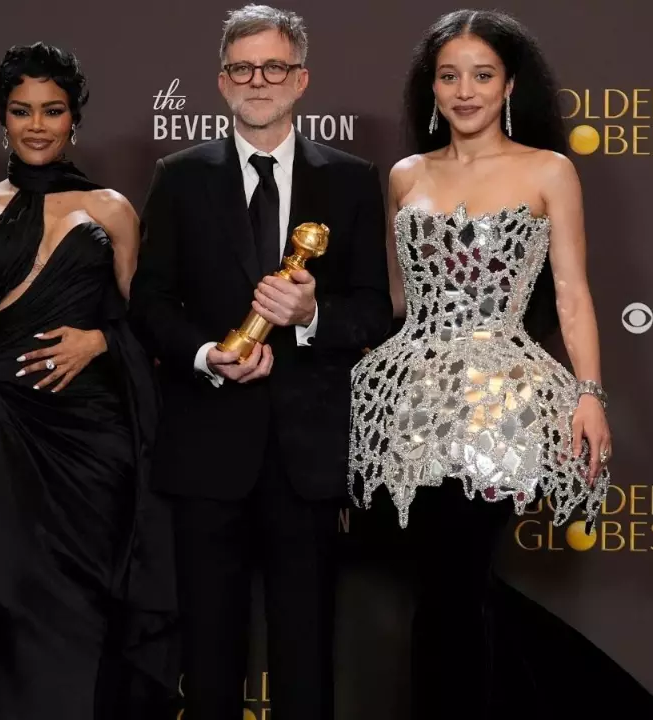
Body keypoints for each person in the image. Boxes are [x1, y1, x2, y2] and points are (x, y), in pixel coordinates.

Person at [348, 9, 653, 718]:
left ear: (509, 85)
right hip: (413, 407)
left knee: (454, 587)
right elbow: (396, 299)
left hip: (500, 405)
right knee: (452, 587)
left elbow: (573, 293)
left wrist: (590, 394)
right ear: (431, 89)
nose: (465, 91)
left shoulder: (548, 170)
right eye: (449, 76)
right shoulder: (406, 175)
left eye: (482, 75)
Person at [129, 5, 391, 719]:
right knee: (208, 658)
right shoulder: (179, 177)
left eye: (274, 67)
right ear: (221, 82)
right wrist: (208, 355)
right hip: (207, 444)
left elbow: (375, 309)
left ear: (301, 79)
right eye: (243, 68)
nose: (258, 81)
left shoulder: (352, 179)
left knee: (305, 657)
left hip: (305, 456)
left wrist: (311, 319)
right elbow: (149, 302)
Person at [0, 42, 178, 720]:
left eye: (53, 110)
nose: (37, 125)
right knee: (11, 594)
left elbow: (150, 325)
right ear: (2, 119)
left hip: (93, 437)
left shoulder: (112, 209)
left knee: (87, 600)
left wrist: (103, 338)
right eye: (22, 111)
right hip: (4, 432)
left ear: (74, 119)